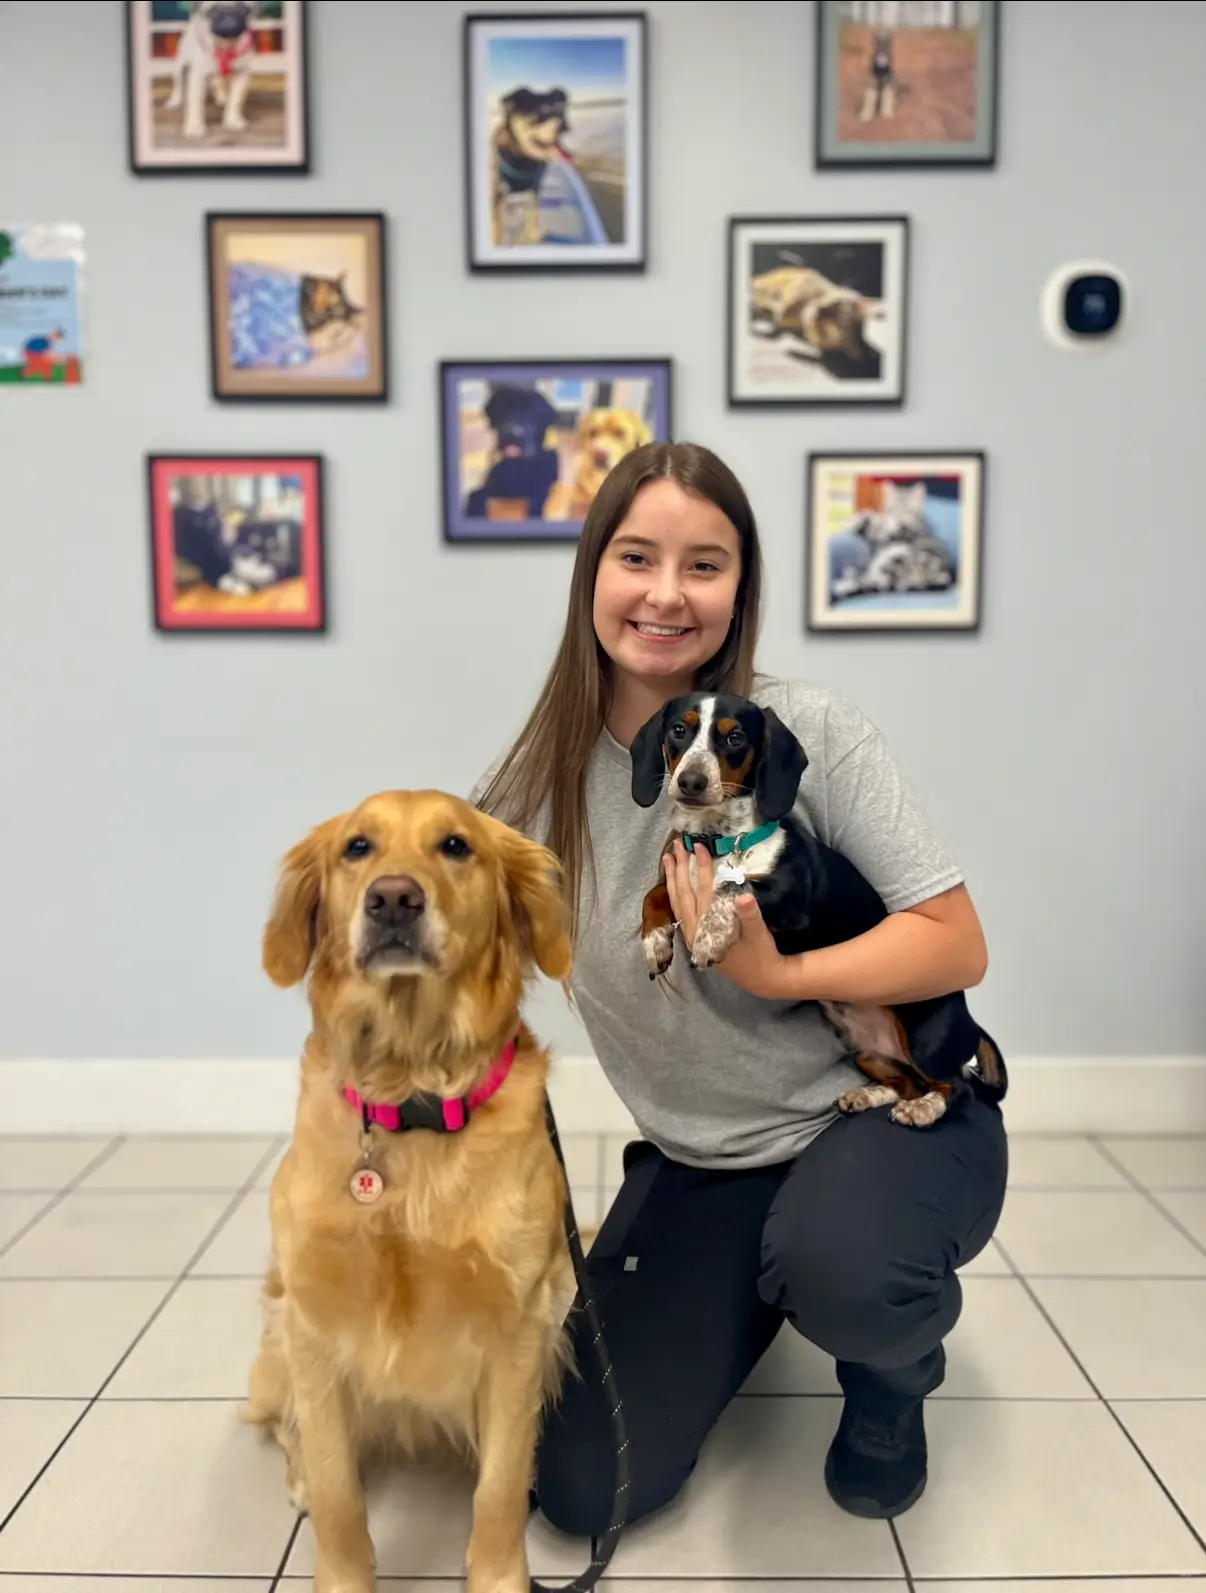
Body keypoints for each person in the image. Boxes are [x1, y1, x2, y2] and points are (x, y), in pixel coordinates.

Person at [470, 440, 1007, 1534]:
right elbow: (458, 943)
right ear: (593, 576)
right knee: (578, 1487)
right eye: (637, 557)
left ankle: (890, 1378)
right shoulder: (532, 784)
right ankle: (744, 1283)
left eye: (704, 564)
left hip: (883, 1115)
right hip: (704, 1158)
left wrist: (781, 973)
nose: (666, 594)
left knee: (846, 1266)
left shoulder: (803, 732)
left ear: (739, 589)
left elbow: (955, 945)